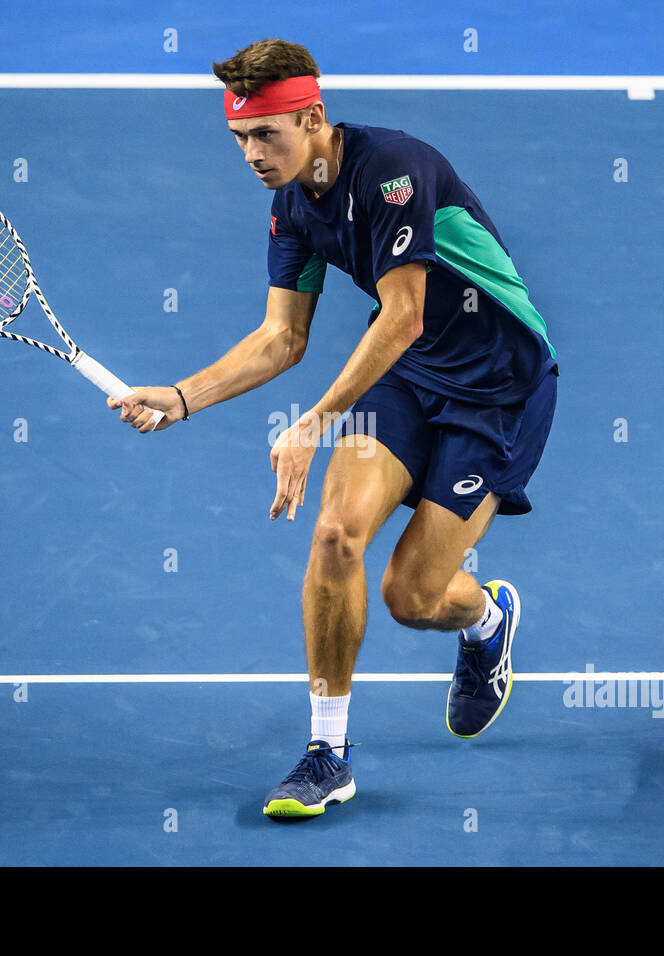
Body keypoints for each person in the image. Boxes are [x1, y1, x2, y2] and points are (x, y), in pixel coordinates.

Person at [108, 38, 558, 819]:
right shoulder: (290, 207)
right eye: (240, 139)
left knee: (411, 597)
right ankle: (328, 754)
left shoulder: (393, 171)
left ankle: (487, 618)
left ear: (313, 119)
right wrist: (182, 397)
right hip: (411, 379)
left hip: (499, 389)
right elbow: (283, 336)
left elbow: (406, 313)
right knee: (335, 535)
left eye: (266, 135)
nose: (251, 154)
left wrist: (313, 422)